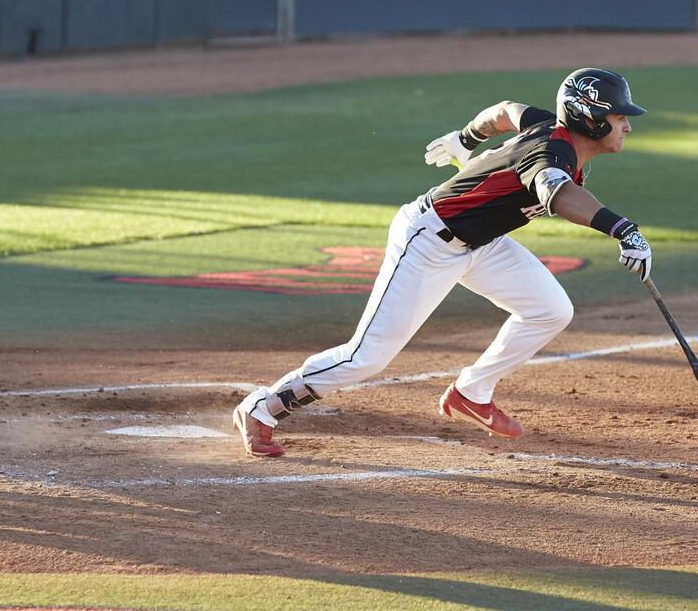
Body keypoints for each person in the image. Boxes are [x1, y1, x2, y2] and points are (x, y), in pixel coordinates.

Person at [231, 67, 652, 457]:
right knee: (367, 356)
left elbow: (506, 111)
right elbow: (557, 193)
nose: (628, 126)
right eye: (619, 117)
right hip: (429, 241)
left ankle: (472, 392)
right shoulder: (548, 155)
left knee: (550, 310)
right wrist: (622, 229)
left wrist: (467, 137)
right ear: (590, 119)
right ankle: (262, 407)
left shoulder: (549, 129)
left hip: (480, 243)